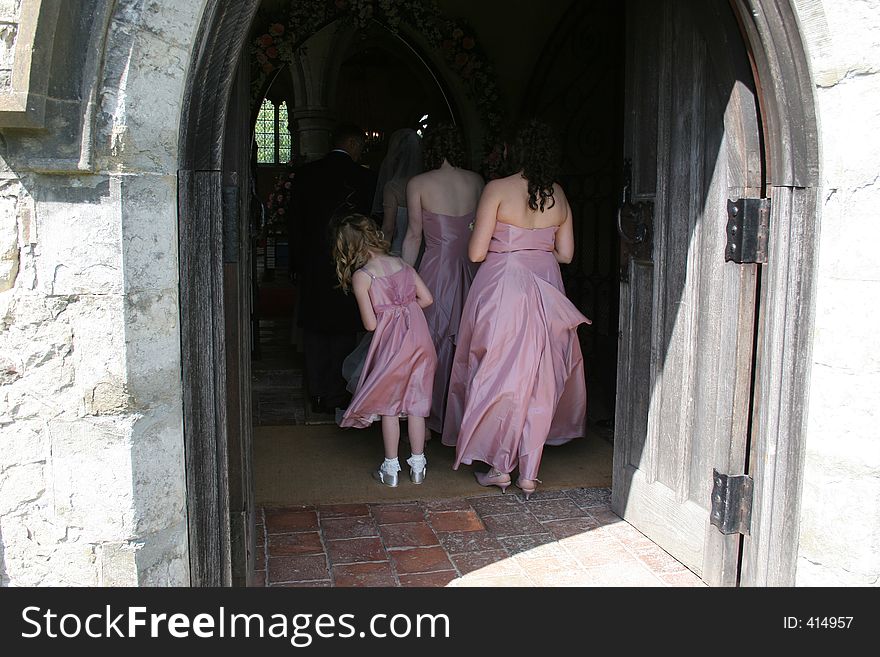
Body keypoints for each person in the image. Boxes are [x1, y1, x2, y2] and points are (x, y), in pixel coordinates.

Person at [441, 119, 591, 499]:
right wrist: (539, 249)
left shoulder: (497, 189)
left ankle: (499, 465)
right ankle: (529, 472)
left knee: (499, 371)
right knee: (541, 375)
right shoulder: (559, 194)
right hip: (546, 284)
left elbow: (475, 252)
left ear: (512, 152)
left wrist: (505, 244)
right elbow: (567, 254)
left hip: (503, 285)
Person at [332, 214, 438, 486]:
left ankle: (391, 469)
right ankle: (418, 466)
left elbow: (370, 324)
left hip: (391, 347)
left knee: (389, 406)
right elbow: (427, 299)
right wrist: (405, 308)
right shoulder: (403, 264)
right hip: (419, 341)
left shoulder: (363, 276)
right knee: (417, 404)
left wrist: (389, 312)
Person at [287, 123, 378, 415]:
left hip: (314, 263)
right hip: (350, 262)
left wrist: (296, 263)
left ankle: (316, 392)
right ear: (351, 143)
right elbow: (370, 225)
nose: (361, 150)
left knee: (315, 330)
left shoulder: (306, 174)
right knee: (343, 328)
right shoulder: (364, 178)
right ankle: (337, 393)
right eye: (360, 145)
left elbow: (295, 224)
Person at [402, 123, 484, 435]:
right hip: (472, 268)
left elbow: (413, 235)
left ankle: (429, 412)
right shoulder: (477, 181)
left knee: (430, 339)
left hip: (436, 269)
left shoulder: (419, 183)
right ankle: (463, 414)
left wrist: (404, 283)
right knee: (469, 340)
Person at [372, 128, 423, 255]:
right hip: (424, 251)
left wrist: (380, 256)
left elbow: (388, 228)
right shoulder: (427, 183)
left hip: (400, 249)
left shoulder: (393, 187)